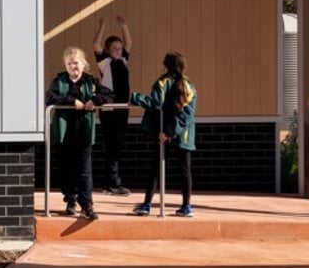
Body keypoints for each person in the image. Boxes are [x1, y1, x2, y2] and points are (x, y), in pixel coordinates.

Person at [45, 47, 111, 219]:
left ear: (83, 64)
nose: (72, 66)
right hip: (64, 131)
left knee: (84, 170)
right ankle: (70, 200)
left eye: (75, 62)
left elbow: (108, 95)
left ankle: (87, 204)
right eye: (69, 63)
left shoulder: (91, 81)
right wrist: (71, 101)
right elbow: (49, 97)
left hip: (84, 131)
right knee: (66, 169)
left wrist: (94, 100)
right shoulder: (59, 80)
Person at [130, 53, 198, 217]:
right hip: (184, 134)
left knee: (156, 168)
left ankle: (147, 204)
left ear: (165, 65)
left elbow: (153, 103)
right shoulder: (190, 86)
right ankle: (186, 206)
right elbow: (187, 115)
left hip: (163, 131)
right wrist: (172, 132)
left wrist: (135, 97)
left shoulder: (162, 82)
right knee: (185, 169)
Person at [92, 14, 134, 196]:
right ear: (108, 51)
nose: (119, 50)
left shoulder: (123, 61)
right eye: (114, 48)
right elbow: (96, 45)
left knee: (116, 146)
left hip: (122, 108)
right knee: (112, 145)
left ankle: (110, 182)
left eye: (119, 48)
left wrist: (124, 27)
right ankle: (112, 183)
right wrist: (102, 26)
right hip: (110, 109)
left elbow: (129, 44)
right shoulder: (105, 63)